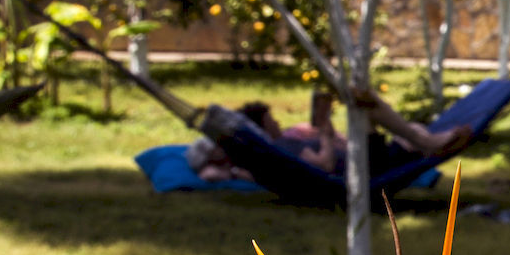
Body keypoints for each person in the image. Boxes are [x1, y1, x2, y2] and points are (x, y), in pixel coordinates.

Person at [185, 87, 468, 182]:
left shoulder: (266, 156)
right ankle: (428, 144)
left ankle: (426, 142)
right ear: (261, 124)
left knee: (407, 128)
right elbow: (326, 165)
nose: (276, 121)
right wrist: (325, 132)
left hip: (363, 163)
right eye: (270, 118)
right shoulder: (280, 147)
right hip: (364, 171)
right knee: (366, 104)